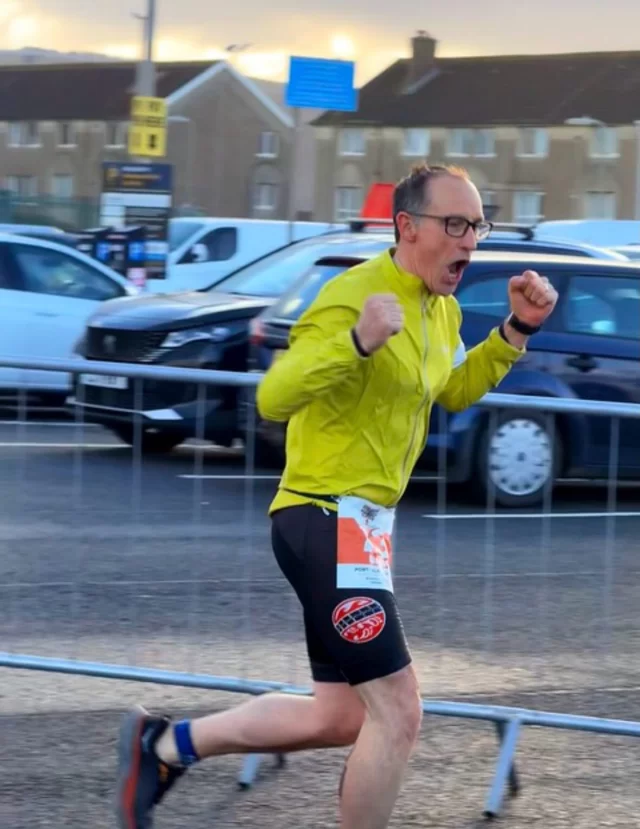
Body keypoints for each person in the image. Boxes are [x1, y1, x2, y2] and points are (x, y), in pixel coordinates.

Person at [115, 162, 558, 829]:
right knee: (400, 709)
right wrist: (357, 342)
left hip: (363, 532)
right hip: (321, 515)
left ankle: (166, 746)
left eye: (478, 224)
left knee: (341, 714)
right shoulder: (354, 295)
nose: (471, 240)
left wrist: (514, 332)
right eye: (456, 224)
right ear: (407, 227)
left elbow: (451, 391)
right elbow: (275, 394)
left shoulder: (444, 311)